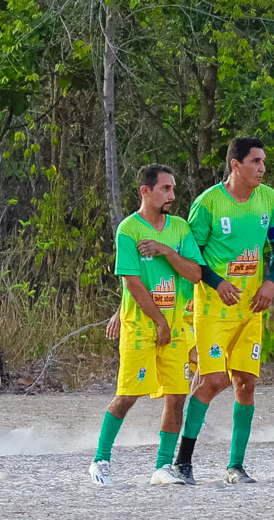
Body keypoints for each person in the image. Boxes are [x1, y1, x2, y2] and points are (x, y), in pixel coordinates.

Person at [92, 165, 216, 486]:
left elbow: (195, 274)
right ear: (145, 191)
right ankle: (100, 460)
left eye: (173, 188)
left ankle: (163, 466)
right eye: (165, 189)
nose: (172, 195)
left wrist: (165, 251)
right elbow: (132, 283)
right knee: (128, 395)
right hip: (141, 327)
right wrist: (158, 321)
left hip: (177, 327)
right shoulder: (129, 230)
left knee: (177, 396)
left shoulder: (180, 228)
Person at [175, 137, 274, 483]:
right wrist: (216, 282)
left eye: (263, 161)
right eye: (255, 161)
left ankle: (235, 466)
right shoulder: (208, 204)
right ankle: (182, 461)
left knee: (245, 383)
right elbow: (190, 256)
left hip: (250, 308)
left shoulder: (268, 199)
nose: (262, 168)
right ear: (235, 165)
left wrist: (271, 282)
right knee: (213, 380)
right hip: (213, 308)